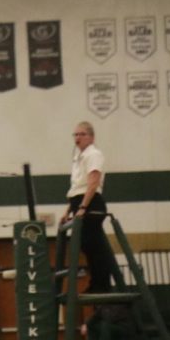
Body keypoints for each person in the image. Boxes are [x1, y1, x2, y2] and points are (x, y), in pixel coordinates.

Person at [64, 121, 113, 293]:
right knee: (87, 245)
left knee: (93, 244)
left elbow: (92, 183)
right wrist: (68, 210)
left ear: (91, 137)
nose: (78, 138)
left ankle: (102, 285)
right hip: (79, 201)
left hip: (91, 202)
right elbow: (76, 187)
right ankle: (97, 283)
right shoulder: (79, 158)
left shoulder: (94, 154)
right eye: (75, 134)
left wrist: (83, 207)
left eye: (82, 134)